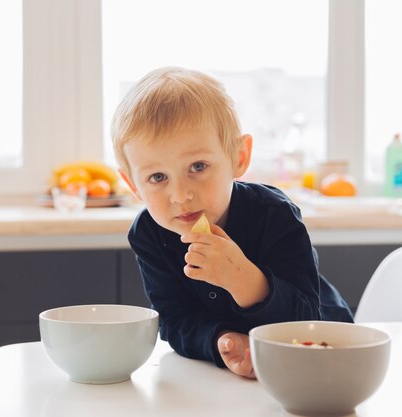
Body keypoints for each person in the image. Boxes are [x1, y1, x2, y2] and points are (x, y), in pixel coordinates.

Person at [111, 67, 353, 379]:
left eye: (198, 166)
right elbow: (175, 321)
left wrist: (243, 280)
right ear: (133, 185)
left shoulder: (274, 213)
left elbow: (307, 317)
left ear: (239, 158)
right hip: (235, 378)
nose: (181, 195)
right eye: (157, 177)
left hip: (322, 356)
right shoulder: (149, 233)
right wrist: (220, 341)